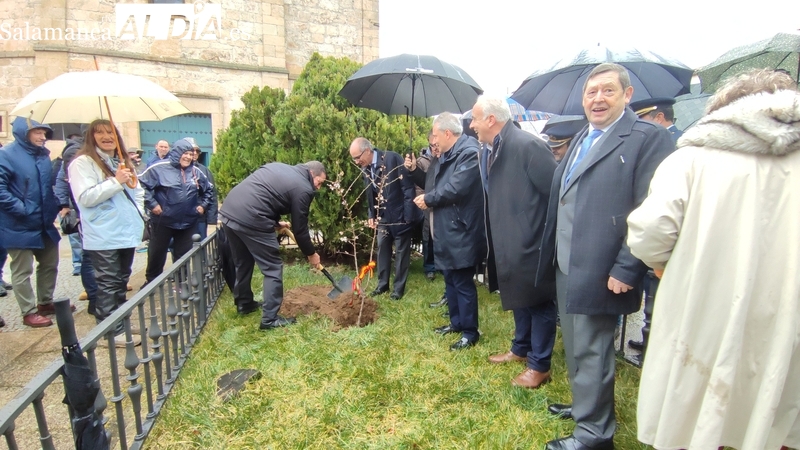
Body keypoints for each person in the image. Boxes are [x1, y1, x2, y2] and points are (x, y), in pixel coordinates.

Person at [627, 69, 800, 450]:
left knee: (703, 404)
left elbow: (651, 230)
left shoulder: (692, 159)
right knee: (776, 398)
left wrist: (662, 264)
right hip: (789, 310)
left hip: (706, 301)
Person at [537, 63, 674, 450]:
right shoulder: (584, 135)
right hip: (567, 262)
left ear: (627, 95)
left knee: (594, 348)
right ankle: (586, 407)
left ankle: (595, 435)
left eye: (607, 91)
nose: (597, 98)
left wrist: (628, 265)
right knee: (579, 344)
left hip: (603, 267)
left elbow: (652, 207)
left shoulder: (647, 138)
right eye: (591, 92)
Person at [470, 95, 558, 389]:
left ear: (491, 120)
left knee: (539, 301)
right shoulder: (489, 149)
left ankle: (539, 364)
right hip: (507, 239)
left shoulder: (527, 145)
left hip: (531, 240)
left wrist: (536, 230)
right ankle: (521, 349)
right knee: (519, 296)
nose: (472, 125)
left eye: (475, 119)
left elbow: (555, 193)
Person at [219, 161, 325, 329]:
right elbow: (300, 230)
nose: (318, 188)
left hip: (230, 211)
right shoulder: (304, 187)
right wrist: (311, 254)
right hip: (251, 217)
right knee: (273, 268)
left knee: (243, 262)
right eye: (319, 182)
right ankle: (270, 319)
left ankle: (244, 304)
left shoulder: (279, 167)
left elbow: (265, 195)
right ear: (312, 174)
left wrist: (275, 223)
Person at [69, 119, 144, 346]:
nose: (106, 136)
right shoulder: (83, 163)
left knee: (121, 280)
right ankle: (108, 330)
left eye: (110, 132)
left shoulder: (119, 161)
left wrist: (139, 211)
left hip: (125, 231)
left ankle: (120, 321)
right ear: (91, 137)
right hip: (104, 233)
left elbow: (136, 191)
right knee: (108, 283)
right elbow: (85, 198)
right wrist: (115, 181)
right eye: (100, 133)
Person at [413, 112, 485, 351]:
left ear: (446, 133)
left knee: (463, 282)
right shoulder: (446, 154)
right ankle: (456, 323)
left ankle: (470, 332)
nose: (432, 140)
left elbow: (456, 188)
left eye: (434, 134)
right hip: (447, 227)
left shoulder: (469, 152)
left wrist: (429, 199)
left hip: (461, 229)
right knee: (451, 279)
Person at [624, 97, 683, 367]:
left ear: (659, 118)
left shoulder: (679, 145)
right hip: (654, 236)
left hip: (667, 233)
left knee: (662, 299)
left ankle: (654, 347)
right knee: (651, 294)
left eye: (644, 118)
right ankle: (647, 338)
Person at [0, 117, 66, 328]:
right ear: (24, 133)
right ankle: (28, 311)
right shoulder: (6, 155)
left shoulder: (43, 157)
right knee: (22, 270)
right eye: (37, 132)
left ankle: (45, 302)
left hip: (44, 222)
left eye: (44, 133)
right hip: (17, 224)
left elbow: (46, 187)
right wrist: (22, 209)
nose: (42, 137)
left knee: (49, 263)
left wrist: (57, 205)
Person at [350, 137, 421, 300]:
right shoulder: (365, 167)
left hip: (401, 215)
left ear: (367, 151)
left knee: (402, 252)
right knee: (382, 249)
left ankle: (398, 289)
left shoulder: (392, 158)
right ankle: (382, 285)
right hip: (383, 217)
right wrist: (371, 215)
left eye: (357, 157)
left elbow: (408, 188)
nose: (356, 161)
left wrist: (408, 218)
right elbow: (371, 193)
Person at [139, 139, 213, 286]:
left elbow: (209, 190)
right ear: (177, 153)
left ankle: (181, 282)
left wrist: (203, 206)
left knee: (183, 254)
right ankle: (152, 282)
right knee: (156, 253)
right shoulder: (158, 168)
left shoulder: (196, 171)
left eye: (191, 154)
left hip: (187, 222)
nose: (188, 157)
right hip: (163, 221)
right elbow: (141, 186)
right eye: (185, 153)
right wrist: (152, 204)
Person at [55, 125, 100, 316]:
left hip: (103, 214)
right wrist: (64, 205)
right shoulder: (76, 153)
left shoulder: (102, 153)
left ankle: (103, 297)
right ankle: (94, 298)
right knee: (89, 256)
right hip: (87, 212)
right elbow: (63, 181)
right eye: (100, 132)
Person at [183, 137, 218, 240]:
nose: (194, 153)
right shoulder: (175, 169)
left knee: (200, 245)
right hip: (180, 218)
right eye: (191, 150)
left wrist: (212, 218)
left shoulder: (204, 171)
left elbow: (212, 194)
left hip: (199, 218)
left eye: (196, 151)